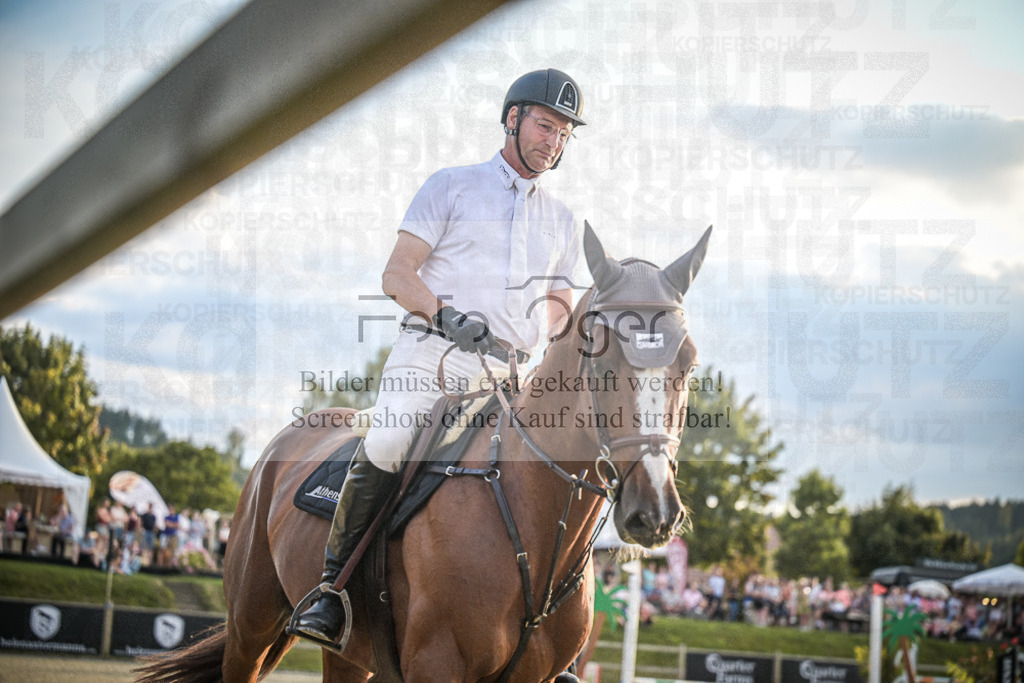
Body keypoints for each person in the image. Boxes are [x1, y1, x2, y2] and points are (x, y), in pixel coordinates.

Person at [292, 68, 587, 649]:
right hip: (432, 354)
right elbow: (396, 274)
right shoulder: (451, 185)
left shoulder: (564, 219)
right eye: (545, 125)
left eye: (564, 133)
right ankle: (332, 590)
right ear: (512, 118)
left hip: (507, 377)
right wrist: (446, 315)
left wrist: (572, 343)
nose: (553, 141)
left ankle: (543, 634)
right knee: (388, 441)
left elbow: (558, 305)